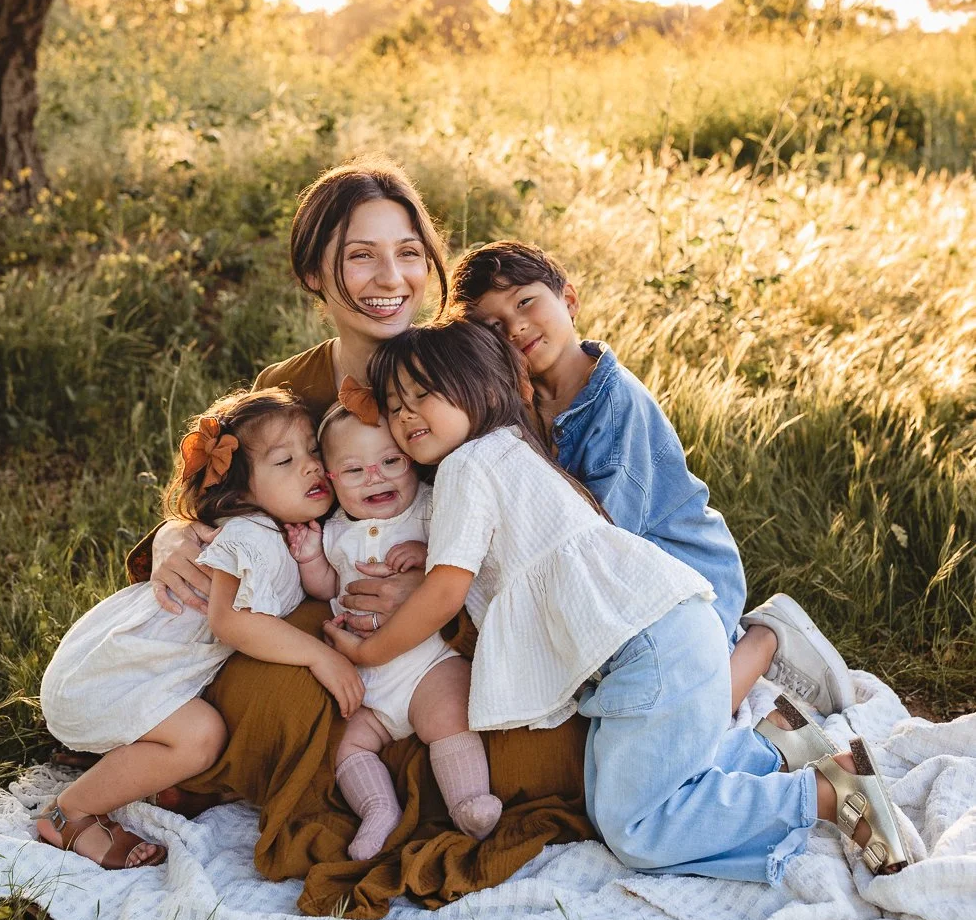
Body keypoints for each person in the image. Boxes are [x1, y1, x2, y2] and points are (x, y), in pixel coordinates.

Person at [127, 163, 590, 912]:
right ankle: (341, 778)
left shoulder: (469, 367)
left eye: (409, 252)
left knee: (547, 752)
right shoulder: (292, 390)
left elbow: (552, 516)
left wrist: (441, 586)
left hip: (469, 616)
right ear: (315, 272)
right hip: (337, 617)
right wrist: (176, 534)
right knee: (281, 683)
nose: (391, 276)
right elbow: (229, 492)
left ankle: (429, 778)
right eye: (359, 255)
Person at [325, 319, 912, 881]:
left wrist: (375, 652)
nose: (404, 416)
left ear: (476, 388)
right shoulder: (509, 451)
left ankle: (828, 795)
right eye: (395, 406)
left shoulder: (465, 467)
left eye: (421, 396)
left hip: (648, 649)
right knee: (621, 793)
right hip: (663, 635)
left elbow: (447, 590)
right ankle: (774, 752)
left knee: (634, 827)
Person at [449, 240, 854, 718]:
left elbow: (601, 529)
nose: (515, 327)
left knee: (690, 716)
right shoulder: (519, 401)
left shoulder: (614, 405)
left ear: (569, 300)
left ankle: (765, 639)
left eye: (525, 302)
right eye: (494, 325)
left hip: (682, 568)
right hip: (621, 577)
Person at [37, 387, 361, 869]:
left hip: (132, 666)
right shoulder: (251, 535)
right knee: (201, 737)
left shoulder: (281, 532)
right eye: (284, 462)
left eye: (313, 451)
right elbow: (231, 621)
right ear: (241, 491)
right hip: (114, 676)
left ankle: (118, 762)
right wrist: (321, 656)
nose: (311, 466)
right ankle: (72, 813)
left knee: (200, 731)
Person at [291, 387, 500, 858]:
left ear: (411, 460)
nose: (374, 478)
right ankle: (378, 810)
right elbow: (328, 586)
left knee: (450, 713)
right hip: (366, 683)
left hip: (427, 666)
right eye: (353, 471)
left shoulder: (430, 509)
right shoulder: (335, 530)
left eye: (390, 462)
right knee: (346, 746)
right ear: (330, 481)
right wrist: (308, 559)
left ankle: (468, 802)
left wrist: (428, 557)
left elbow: (465, 557)